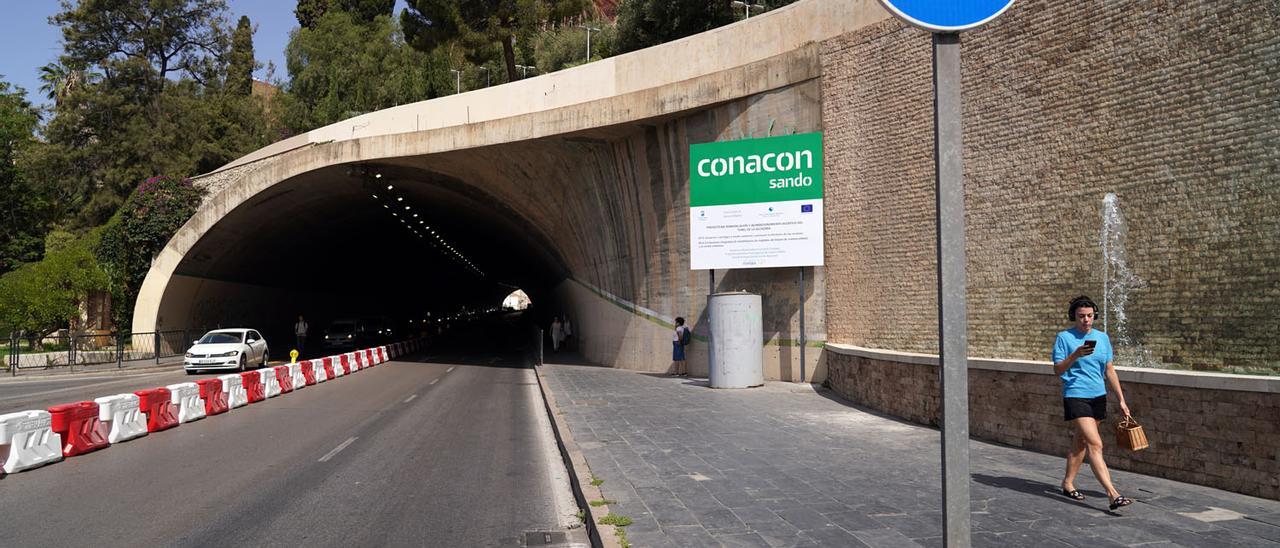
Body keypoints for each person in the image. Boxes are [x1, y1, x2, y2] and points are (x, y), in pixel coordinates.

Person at [1053, 296, 1133, 511]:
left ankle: (1068, 483)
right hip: (1076, 395)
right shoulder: (1064, 338)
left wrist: (1121, 400)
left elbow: (1109, 369)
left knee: (1080, 443)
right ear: (1074, 316)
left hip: (1098, 396)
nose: (1086, 320)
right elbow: (1058, 369)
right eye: (1081, 316)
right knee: (1095, 444)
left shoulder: (1102, 338)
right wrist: (1075, 355)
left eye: (1089, 316)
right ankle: (1113, 494)